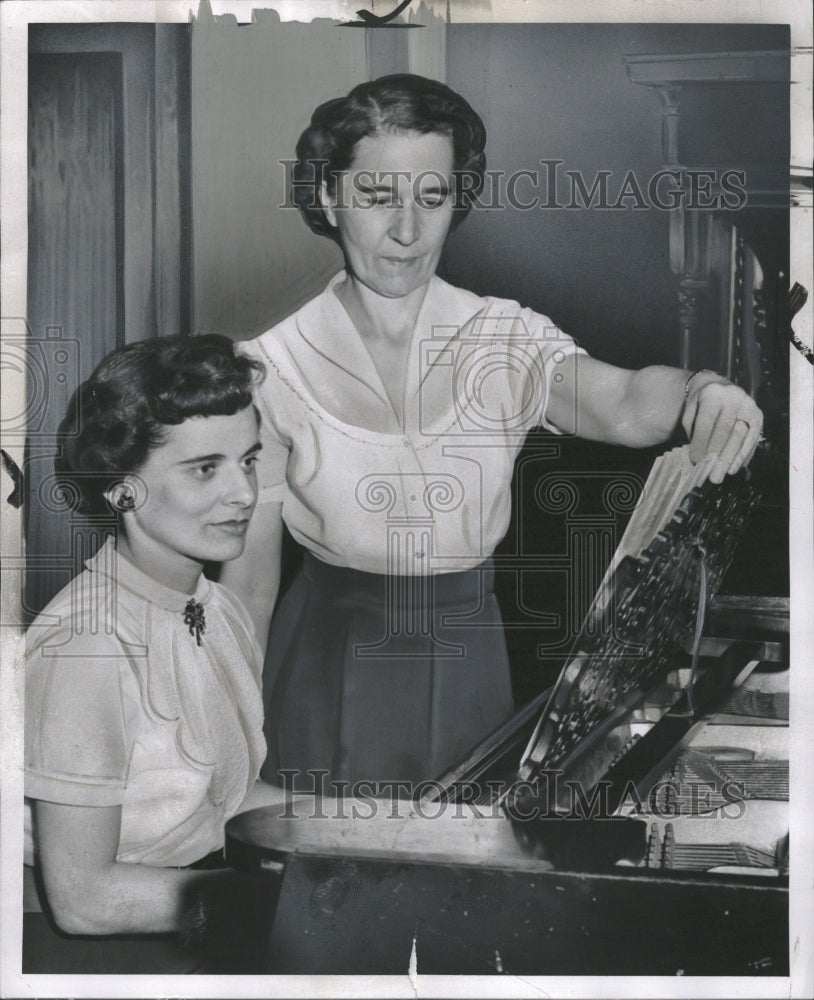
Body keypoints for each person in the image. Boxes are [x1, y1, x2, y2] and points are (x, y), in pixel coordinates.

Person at [223, 74, 763, 799]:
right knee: (328, 891)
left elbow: (629, 402)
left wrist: (706, 390)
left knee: (465, 887)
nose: (409, 231)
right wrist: (229, 736)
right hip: (325, 665)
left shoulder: (502, 338)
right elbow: (247, 591)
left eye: (433, 198)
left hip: (470, 658)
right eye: (379, 198)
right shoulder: (266, 370)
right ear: (328, 198)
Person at [23, 335, 284, 973]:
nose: (245, 494)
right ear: (122, 491)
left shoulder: (210, 610)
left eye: (247, 462)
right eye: (205, 469)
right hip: (89, 955)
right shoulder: (87, 648)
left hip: (185, 917)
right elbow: (85, 898)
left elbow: (212, 803)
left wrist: (395, 823)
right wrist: (289, 900)